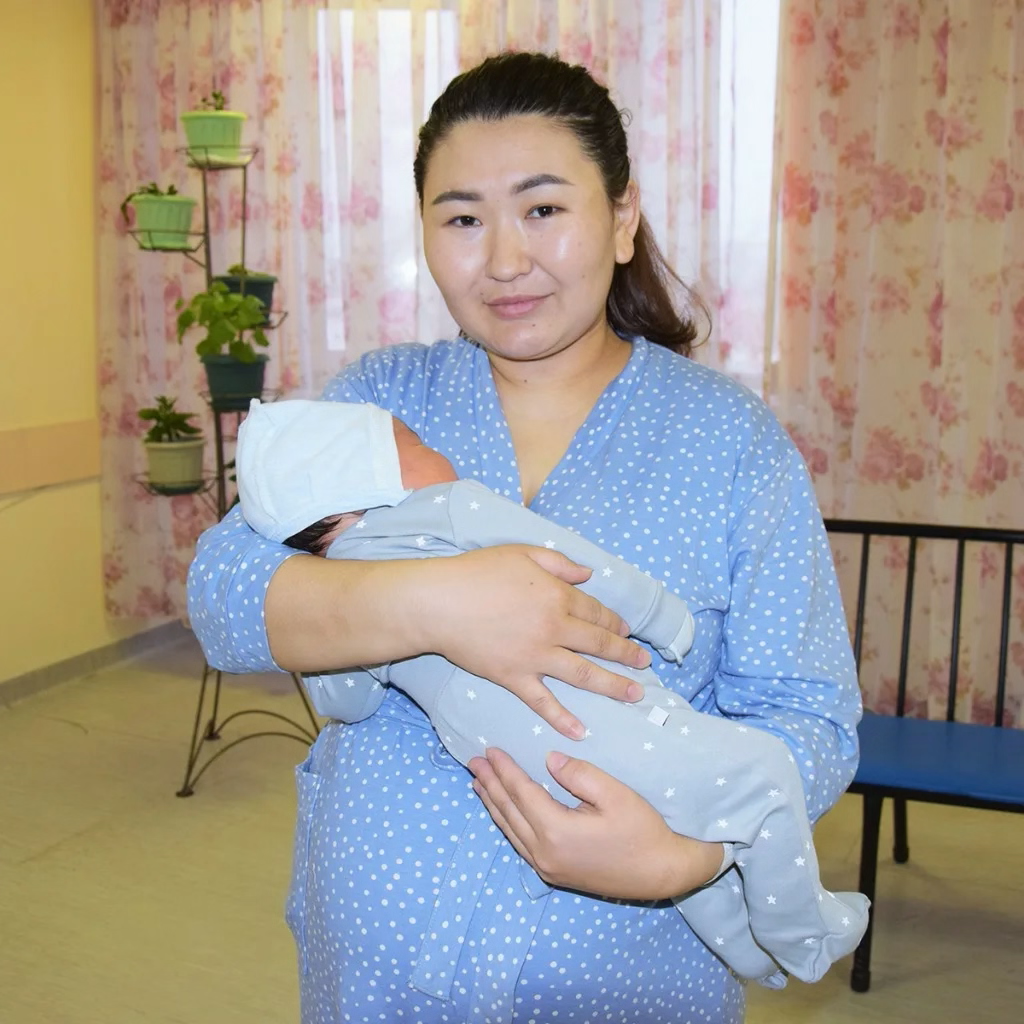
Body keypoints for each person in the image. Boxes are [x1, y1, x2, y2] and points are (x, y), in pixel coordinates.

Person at [188, 51, 862, 1024]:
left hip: (633, 977)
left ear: (622, 219)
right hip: (375, 974)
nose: (504, 260)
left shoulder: (730, 444)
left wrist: (681, 861)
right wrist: (438, 603)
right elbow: (223, 593)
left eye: (543, 208)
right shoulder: (380, 400)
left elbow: (810, 717)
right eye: (462, 219)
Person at [233, 394, 868, 987]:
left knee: (690, 830)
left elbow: (346, 701)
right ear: (366, 478)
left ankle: (752, 951)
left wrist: (360, 622)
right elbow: (569, 559)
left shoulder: (336, 589)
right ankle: (804, 936)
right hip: (595, 727)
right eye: (413, 443)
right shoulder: (448, 508)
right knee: (762, 779)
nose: (434, 447)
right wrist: (661, 616)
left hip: (523, 767)